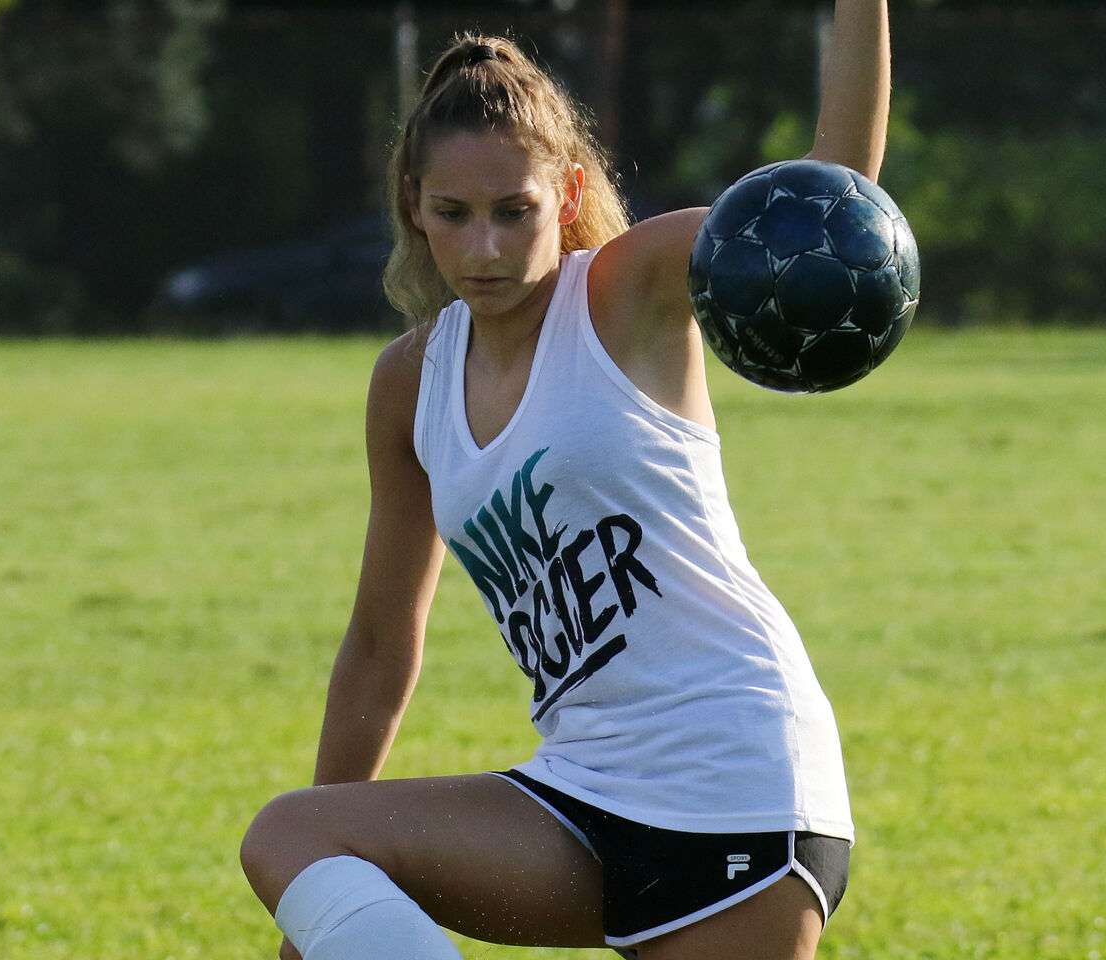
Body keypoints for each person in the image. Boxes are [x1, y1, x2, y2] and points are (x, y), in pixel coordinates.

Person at [240, 2, 891, 957]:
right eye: (454, 214)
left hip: (739, 779)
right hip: (580, 795)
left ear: (569, 191)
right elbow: (380, 646)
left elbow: (829, 200)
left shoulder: (627, 293)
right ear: (413, 205)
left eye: (515, 212)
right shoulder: (411, 383)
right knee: (291, 834)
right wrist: (323, 907)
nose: (484, 248)